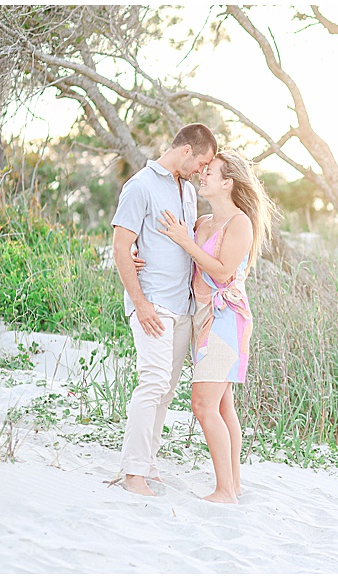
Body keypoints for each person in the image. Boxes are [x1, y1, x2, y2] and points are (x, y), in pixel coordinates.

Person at [157, 149, 276, 503]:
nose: (202, 174)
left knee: (203, 404)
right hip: (202, 318)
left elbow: (222, 271)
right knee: (223, 405)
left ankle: (225, 489)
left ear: (228, 183)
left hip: (226, 319)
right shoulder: (203, 222)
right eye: (203, 170)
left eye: (210, 172)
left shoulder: (240, 223)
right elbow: (185, 261)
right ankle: (233, 486)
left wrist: (185, 240)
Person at [110, 123, 217, 497]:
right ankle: (132, 473)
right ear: (187, 150)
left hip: (183, 306)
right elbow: (122, 247)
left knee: (166, 390)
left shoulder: (187, 190)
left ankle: (147, 463)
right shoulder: (140, 185)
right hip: (152, 304)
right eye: (202, 162)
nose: (202, 171)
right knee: (153, 382)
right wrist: (140, 304)